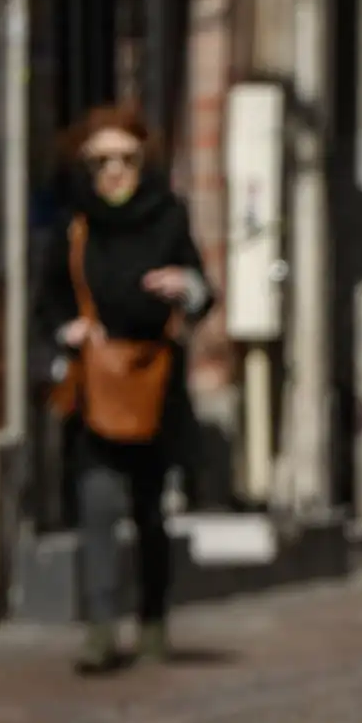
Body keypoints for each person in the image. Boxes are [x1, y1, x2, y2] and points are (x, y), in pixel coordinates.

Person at [33, 107, 212, 673]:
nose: (114, 172)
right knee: (96, 505)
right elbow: (49, 302)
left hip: (155, 381)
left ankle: (154, 621)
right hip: (95, 383)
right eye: (101, 161)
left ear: (144, 161)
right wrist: (69, 329)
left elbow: (205, 289)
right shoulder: (74, 225)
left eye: (126, 160)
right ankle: (102, 629)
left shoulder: (168, 216)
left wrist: (188, 286)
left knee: (150, 511)